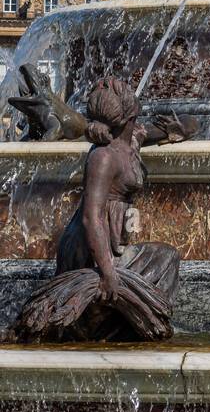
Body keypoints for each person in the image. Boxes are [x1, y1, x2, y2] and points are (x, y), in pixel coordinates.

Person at [15, 77, 197, 342]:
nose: (121, 86)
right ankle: (111, 326)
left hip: (112, 238)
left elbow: (192, 124)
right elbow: (91, 218)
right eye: (124, 92)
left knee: (166, 257)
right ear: (129, 111)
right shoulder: (104, 157)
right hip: (89, 246)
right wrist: (108, 272)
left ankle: (124, 323)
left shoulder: (134, 138)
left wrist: (178, 128)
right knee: (165, 258)